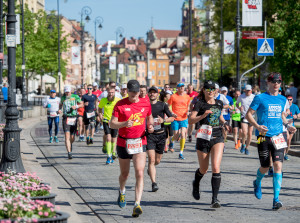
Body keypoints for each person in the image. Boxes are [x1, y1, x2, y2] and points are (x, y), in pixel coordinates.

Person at [246, 72, 297, 210]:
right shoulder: (260, 97)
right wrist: (257, 126)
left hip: (278, 135)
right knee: (265, 166)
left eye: (278, 82)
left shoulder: (282, 99)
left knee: (278, 166)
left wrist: (288, 126)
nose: (276, 84)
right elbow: (248, 114)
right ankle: (257, 182)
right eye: (273, 81)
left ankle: (276, 200)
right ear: (267, 83)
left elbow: (282, 116)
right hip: (263, 136)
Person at [110, 80, 154, 218]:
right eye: (132, 92)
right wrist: (124, 123)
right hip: (124, 143)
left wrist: (151, 126)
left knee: (140, 173)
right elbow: (112, 124)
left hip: (140, 142)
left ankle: (137, 203)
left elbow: (149, 116)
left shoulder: (145, 102)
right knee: (125, 174)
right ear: (127, 91)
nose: (134, 95)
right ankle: (122, 192)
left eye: (136, 92)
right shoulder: (120, 104)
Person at [189, 80, 230, 208]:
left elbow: (220, 117)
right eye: (208, 89)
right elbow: (191, 120)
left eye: (213, 89)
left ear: (216, 91)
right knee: (204, 169)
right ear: (204, 90)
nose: (211, 91)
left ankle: (215, 199)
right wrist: (203, 116)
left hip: (217, 135)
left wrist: (225, 124)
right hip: (203, 136)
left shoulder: (219, 103)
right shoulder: (199, 103)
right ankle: (196, 183)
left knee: (216, 167)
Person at [147, 86, 174, 191]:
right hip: (150, 135)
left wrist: (164, 121)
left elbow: (171, 118)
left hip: (161, 135)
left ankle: (151, 169)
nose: (152, 94)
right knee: (152, 160)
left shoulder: (163, 105)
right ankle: (154, 183)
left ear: (157, 95)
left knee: (157, 161)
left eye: (154, 93)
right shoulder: (145, 106)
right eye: (151, 92)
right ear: (148, 94)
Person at [168, 83, 190, 159]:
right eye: (180, 87)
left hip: (184, 118)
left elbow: (188, 106)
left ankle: (181, 153)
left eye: (183, 87)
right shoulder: (173, 96)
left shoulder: (187, 97)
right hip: (175, 119)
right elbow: (168, 106)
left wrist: (188, 111)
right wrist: (172, 113)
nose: (181, 88)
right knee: (176, 135)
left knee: (183, 134)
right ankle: (172, 140)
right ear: (177, 88)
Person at [98, 87, 120, 164]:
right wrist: (100, 115)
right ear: (107, 92)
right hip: (106, 121)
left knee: (114, 139)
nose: (111, 94)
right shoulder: (103, 100)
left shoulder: (117, 100)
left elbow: (121, 110)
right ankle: (108, 155)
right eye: (109, 92)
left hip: (115, 122)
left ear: (114, 93)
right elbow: (100, 108)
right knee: (108, 138)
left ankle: (112, 152)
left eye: (112, 92)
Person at [60, 86, 83, 159]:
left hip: (73, 118)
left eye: (68, 91)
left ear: (71, 91)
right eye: (66, 91)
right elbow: (60, 105)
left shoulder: (75, 96)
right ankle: (69, 153)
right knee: (67, 135)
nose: (67, 93)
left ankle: (70, 144)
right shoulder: (63, 98)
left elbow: (82, 104)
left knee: (72, 137)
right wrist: (59, 109)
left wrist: (76, 106)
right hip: (66, 118)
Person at [236, 85, 255, 155]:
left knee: (250, 134)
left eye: (249, 90)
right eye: (247, 90)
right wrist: (239, 107)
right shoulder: (241, 96)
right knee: (244, 132)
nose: (248, 92)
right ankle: (243, 144)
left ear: (251, 90)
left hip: (252, 117)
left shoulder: (254, 97)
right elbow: (237, 104)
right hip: (244, 116)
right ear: (245, 90)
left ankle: (247, 148)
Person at [285, 95, 300, 160]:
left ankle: (286, 153)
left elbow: (299, 114)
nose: (289, 101)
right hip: (285, 124)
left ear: (292, 100)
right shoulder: (284, 106)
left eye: (290, 99)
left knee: (289, 140)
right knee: (287, 138)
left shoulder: (295, 106)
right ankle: (282, 153)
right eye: (288, 100)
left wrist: (296, 116)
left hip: (291, 125)